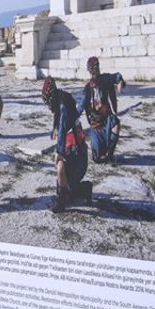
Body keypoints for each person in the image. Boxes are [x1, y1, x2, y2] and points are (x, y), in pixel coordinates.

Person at [42, 77, 89, 213]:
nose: (48, 105)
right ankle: (75, 192)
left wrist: (59, 152)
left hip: (77, 153)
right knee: (63, 185)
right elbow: (58, 125)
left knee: (61, 168)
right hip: (73, 147)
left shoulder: (63, 105)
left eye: (48, 101)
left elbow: (62, 129)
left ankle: (64, 201)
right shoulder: (61, 99)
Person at [82, 55, 125, 163]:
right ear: (89, 71)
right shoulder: (87, 88)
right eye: (92, 71)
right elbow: (81, 105)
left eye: (96, 70)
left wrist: (120, 82)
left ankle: (110, 155)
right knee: (96, 158)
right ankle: (99, 150)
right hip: (96, 126)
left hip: (106, 120)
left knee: (115, 124)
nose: (94, 73)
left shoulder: (105, 79)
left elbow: (117, 76)